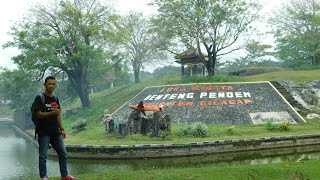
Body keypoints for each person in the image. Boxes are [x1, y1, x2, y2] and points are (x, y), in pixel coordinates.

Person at [33, 76, 78, 180]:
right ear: (45, 85)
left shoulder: (55, 99)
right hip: (44, 132)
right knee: (43, 156)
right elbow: (38, 114)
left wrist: (62, 129)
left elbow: (58, 115)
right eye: (49, 84)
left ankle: (65, 175)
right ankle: (44, 177)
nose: (52, 86)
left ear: (56, 85)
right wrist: (53, 112)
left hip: (55, 132)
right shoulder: (40, 98)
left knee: (63, 153)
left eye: (54, 84)